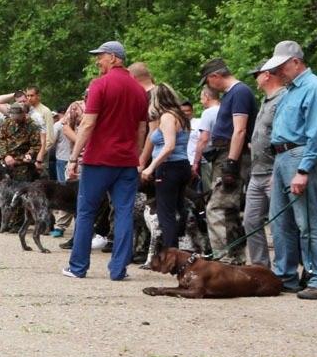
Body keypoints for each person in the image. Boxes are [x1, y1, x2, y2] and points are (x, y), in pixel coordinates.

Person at [63, 41, 147, 280]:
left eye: (99, 57)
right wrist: (137, 156)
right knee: (123, 213)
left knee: (87, 211)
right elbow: (141, 130)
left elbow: (88, 123)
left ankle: (78, 267)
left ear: (113, 57)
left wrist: (73, 157)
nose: (97, 61)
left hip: (98, 159)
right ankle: (118, 270)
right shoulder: (139, 90)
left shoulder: (100, 85)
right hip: (127, 162)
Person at [261, 41, 317, 300]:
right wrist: (277, 169)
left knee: (308, 222)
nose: (278, 72)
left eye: (282, 66)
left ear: (295, 62)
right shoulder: (290, 90)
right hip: (282, 157)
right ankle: (286, 276)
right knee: (280, 222)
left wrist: (303, 169)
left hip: (300, 155)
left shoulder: (315, 88)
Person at [199, 58, 257, 264]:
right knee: (229, 210)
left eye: (207, 81)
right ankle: (236, 258)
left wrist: (231, 163)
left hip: (232, 154)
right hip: (224, 154)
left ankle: (222, 260)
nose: (208, 86)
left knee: (217, 208)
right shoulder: (232, 94)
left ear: (215, 76)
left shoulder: (240, 92)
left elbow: (240, 129)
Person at [241, 63, 284, 268]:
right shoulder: (265, 101)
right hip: (256, 172)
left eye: (256, 75)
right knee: (250, 220)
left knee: (280, 223)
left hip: (273, 171)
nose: (254, 79)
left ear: (267, 75)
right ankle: (260, 267)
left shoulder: (282, 99)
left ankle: (283, 269)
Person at [139, 84, 191, 250]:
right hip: (183, 165)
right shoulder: (181, 116)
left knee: (166, 213)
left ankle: (171, 253)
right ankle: (183, 246)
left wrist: (150, 167)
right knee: (179, 208)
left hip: (169, 167)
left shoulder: (167, 117)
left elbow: (169, 146)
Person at [0, 103, 42, 230]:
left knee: (20, 193)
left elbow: (36, 145)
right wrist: (6, 156)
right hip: (6, 162)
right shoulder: (6, 124)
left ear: (23, 114)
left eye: (18, 115)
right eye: (13, 115)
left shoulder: (32, 126)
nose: (15, 118)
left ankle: (17, 223)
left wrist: (29, 155)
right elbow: (1, 140)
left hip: (22, 164)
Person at [190, 87, 220, 189]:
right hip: (225, 155)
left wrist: (195, 162)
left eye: (201, 98)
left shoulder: (208, 112)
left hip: (210, 158)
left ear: (207, 97)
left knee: (210, 189)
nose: (201, 101)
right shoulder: (225, 109)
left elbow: (203, 139)